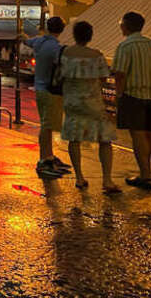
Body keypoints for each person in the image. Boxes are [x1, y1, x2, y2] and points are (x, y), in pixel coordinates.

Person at [60, 21, 120, 194]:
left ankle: (79, 177)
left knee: (74, 139)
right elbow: (103, 77)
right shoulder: (97, 55)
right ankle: (107, 179)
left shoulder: (67, 53)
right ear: (90, 36)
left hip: (72, 101)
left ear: (75, 35)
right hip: (93, 102)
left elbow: (61, 75)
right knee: (104, 140)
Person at [113, 11, 151, 189]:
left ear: (126, 26)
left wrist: (119, 95)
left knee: (137, 135)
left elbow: (120, 73)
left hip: (133, 96)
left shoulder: (125, 46)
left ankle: (145, 175)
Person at [24, 16, 72, 178]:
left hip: (39, 87)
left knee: (47, 124)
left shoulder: (39, 42)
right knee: (47, 125)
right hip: (51, 90)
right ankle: (44, 159)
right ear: (62, 30)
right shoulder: (56, 48)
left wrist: (21, 36)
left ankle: (49, 156)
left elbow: (27, 41)